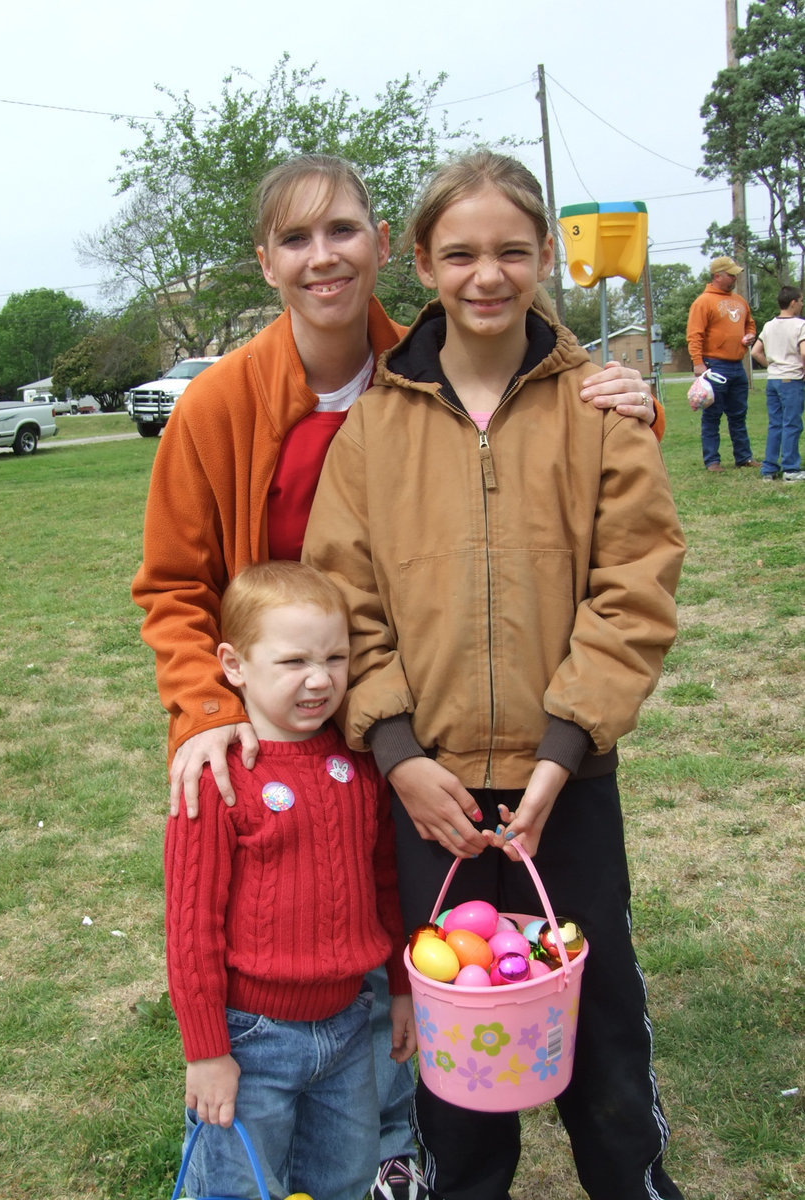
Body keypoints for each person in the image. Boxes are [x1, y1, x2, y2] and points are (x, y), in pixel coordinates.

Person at [131, 153, 665, 1200]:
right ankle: (347, 1135)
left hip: (468, 744)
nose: (323, 256)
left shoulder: (439, 380)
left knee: (528, 994)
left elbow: (620, 570)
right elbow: (184, 586)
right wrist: (209, 711)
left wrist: (618, 390)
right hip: (351, 740)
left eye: (343, 232)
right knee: (330, 960)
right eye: (296, 238)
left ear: (385, 251)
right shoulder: (241, 407)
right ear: (268, 261)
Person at [303, 150, 687, 1200]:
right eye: (460, 252)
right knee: (459, 1055)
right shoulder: (375, 428)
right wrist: (396, 753)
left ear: (545, 255)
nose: (487, 275)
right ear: (420, 261)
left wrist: (565, 752)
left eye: (512, 251)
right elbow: (347, 604)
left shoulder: (600, 413)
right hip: (432, 798)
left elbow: (634, 593)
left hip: (568, 783)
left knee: (600, 1031)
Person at [164, 560, 415, 1200]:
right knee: (240, 1187)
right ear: (235, 664)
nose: (318, 679)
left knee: (344, 1177)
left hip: (349, 1025)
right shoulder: (218, 779)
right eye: (293, 661)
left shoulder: (357, 765)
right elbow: (191, 929)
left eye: (336, 658)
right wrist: (206, 1052)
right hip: (252, 1041)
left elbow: (385, 884)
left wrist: (403, 990)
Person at [686, 255, 760, 472]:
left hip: (738, 365)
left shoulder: (740, 301)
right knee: (712, 414)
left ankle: (744, 457)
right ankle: (712, 461)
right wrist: (698, 363)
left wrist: (750, 336)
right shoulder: (703, 302)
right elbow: (694, 335)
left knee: (739, 414)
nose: (735, 278)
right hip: (714, 366)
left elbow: (750, 324)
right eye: (731, 274)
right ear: (718, 276)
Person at [750, 284, 805, 483]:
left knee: (775, 424)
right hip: (791, 379)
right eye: (800, 301)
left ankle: (769, 469)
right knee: (792, 423)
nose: (801, 304)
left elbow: (755, 351)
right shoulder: (800, 325)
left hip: (773, 379)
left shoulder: (769, 325)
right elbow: (804, 352)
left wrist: (771, 366)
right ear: (793, 303)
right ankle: (790, 468)